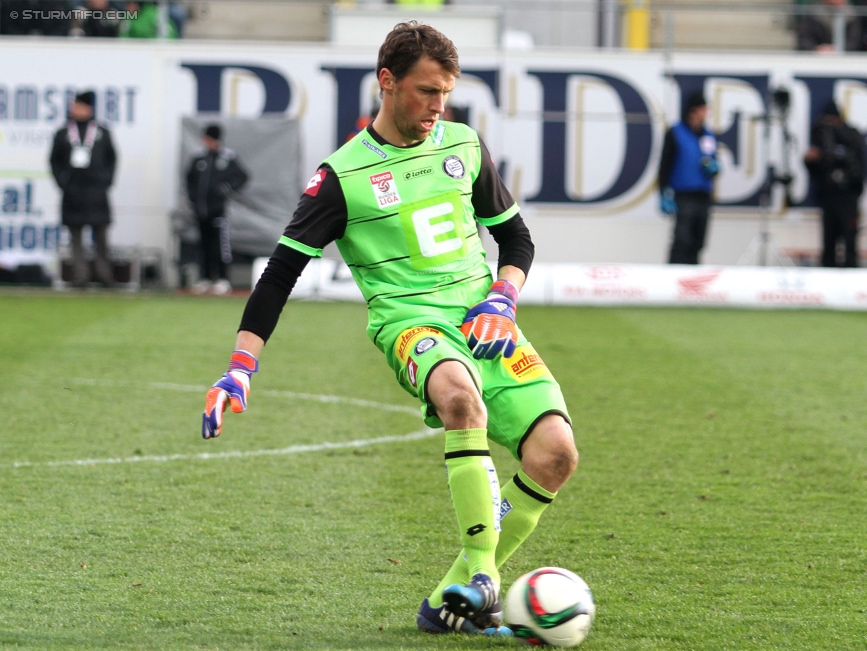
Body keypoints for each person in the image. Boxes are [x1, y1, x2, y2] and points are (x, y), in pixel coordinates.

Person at [200, 21, 577, 637]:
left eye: (446, 94)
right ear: (387, 81)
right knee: (460, 398)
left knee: (555, 456)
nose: (437, 107)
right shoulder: (341, 177)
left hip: (487, 322)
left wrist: (504, 298)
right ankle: (483, 574)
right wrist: (241, 365)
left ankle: (449, 598)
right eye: (426, 91)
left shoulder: (463, 147)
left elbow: (516, 238)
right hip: (411, 323)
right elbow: (279, 275)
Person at [49, 90, 117, 288]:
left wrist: (106, 181)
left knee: (101, 236)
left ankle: (104, 274)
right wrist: (63, 182)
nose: (74, 109)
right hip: (73, 192)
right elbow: (55, 160)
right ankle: (81, 276)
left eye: (78, 106)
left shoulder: (102, 132)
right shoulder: (63, 133)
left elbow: (112, 159)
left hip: (97, 192)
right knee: (76, 236)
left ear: (88, 108)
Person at [185, 124, 249, 295]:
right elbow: (189, 180)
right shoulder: (199, 158)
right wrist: (193, 200)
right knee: (203, 246)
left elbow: (242, 176)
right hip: (200, 211)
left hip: (219, 211)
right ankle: (205, 278)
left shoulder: (227, 157)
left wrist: (227, 188)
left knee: (221, 246)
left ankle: (222, 279)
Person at [657, 90, 720, 264]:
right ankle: (674, 275)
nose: (707, 112)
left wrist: (714, 168)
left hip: (703, 195)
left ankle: (693, 279)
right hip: (683, 194)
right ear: (694, 110)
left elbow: (713, 162)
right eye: (704, 109)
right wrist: (663, 192)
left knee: (698, 240)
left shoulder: (708, 135)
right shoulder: (675, 133)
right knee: (682, 238)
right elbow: (664, 165)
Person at [803, 99, 867, 267]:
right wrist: (810, 161)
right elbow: (817, 172)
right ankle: (827, 282)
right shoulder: (820, 136)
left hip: (848, 197)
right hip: (828, 197)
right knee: (829, 242)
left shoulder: (852, 137)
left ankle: (852, 282)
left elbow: (860, 169)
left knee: (849, 242)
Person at [796, 0, 862, 52]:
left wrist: (836, 49)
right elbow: (804, 38)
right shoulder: (813, 14)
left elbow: (855, 41)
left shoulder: (852, 15)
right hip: (816, 59)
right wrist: (817, 49)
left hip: (846, 61)